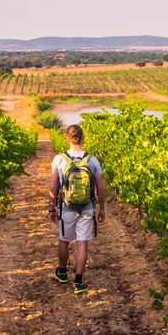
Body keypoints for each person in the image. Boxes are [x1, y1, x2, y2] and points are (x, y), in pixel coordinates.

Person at [48, 124, 107, 294]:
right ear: (83, 137)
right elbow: (100, 187)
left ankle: (63, 272)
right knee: (82, 242)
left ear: (67, 138)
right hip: (87, 207)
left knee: (64, 240)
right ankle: (79, 282)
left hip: (67, 207)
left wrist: (51, 208)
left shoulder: (59, 159)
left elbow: (53, 187)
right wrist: (101, 208)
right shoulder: (92, 160)